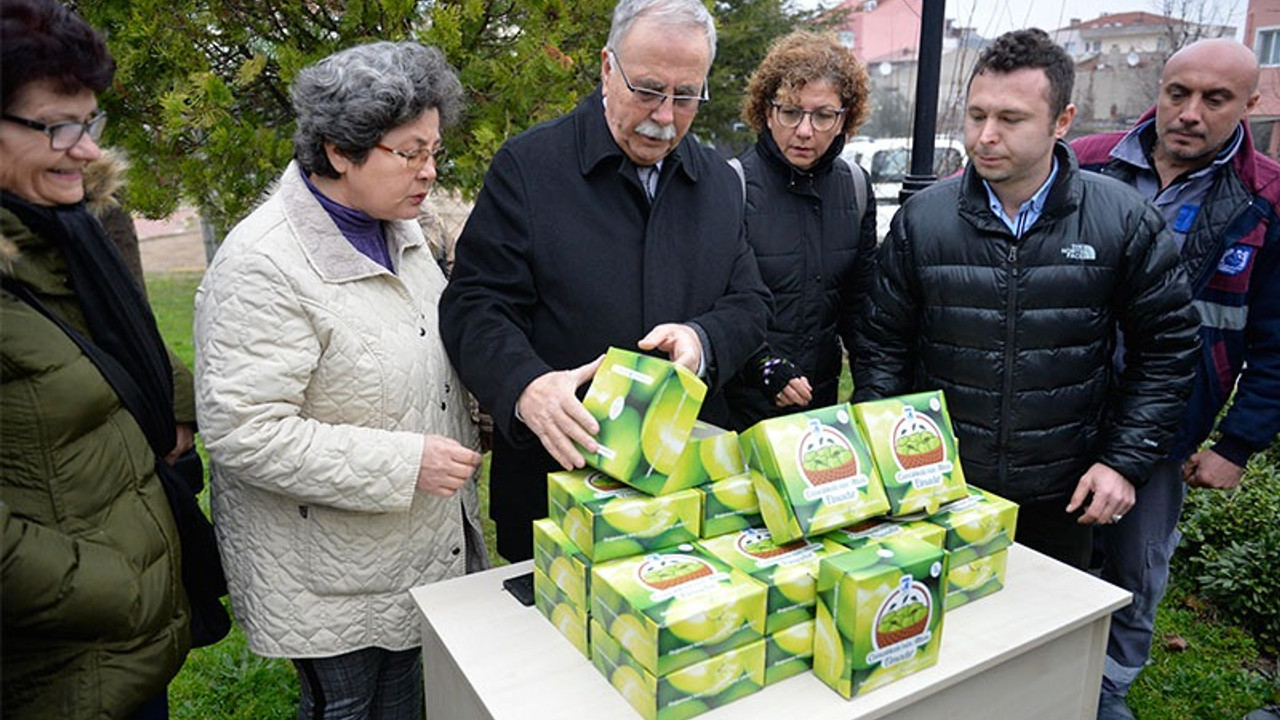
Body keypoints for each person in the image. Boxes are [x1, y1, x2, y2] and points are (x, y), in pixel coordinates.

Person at [193, 41, 486, 720]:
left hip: (406, 543)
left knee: (404, 702)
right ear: (338, 151)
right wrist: (408, 460)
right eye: (409, 152)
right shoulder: (263, 266)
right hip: (327, 569)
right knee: (348, 708)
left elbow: (416, 351)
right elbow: (245, 431)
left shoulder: (399, 231)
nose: (429, 172)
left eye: (434, 150)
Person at [852, 28, 1200, 570]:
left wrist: (1122, 462)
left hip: (1062, 494)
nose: (986, 135)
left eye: (1010, 119)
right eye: (976, 115)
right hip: (939, 488)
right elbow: (882, 345)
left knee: (1045, 644)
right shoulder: (923, 219)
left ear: (1061, 121)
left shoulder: (1122, 219)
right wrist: (887, 454)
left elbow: (1169, 349)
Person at [439, 0, 770, 562]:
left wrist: (701, 339)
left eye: (686, 95)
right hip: (557, 482)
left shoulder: (718, 182)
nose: (664, 116)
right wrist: (525, 386)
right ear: (606, 69)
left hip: (681, 483)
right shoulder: (529, 166)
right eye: (647, 89)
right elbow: (475, 302)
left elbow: (750, 302)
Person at [1071, 38, 1280, 720]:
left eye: (1215, 100)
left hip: (1165, 428)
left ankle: (1108, 691)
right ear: (1157, 91)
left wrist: (1237, 445)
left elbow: (1278, 341)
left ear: (1252, 104)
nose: (1190, 113)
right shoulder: (1083, 162)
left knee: (1136, 565)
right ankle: (1041, 674)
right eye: (1177, 93)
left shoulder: (1267, 200)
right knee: (1054, 548)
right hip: (1061, 406)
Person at [1, 0, 196, 717]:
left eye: (90, 123)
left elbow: (116, 348)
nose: (85, 149)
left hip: (120, 653)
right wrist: (117, 589)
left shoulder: (63, 236)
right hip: (52, 659)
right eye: (56, 126)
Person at [722, 31, 877, 430]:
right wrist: (762, 364)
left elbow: (860, 308)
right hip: (741, 412)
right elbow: (713, 301)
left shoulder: (857, 187)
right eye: (791, 112)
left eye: (824, 115)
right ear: (767, 111)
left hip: (821, 410)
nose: (805, 131)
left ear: (846, 117)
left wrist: (873, 397)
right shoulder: (732, 185)